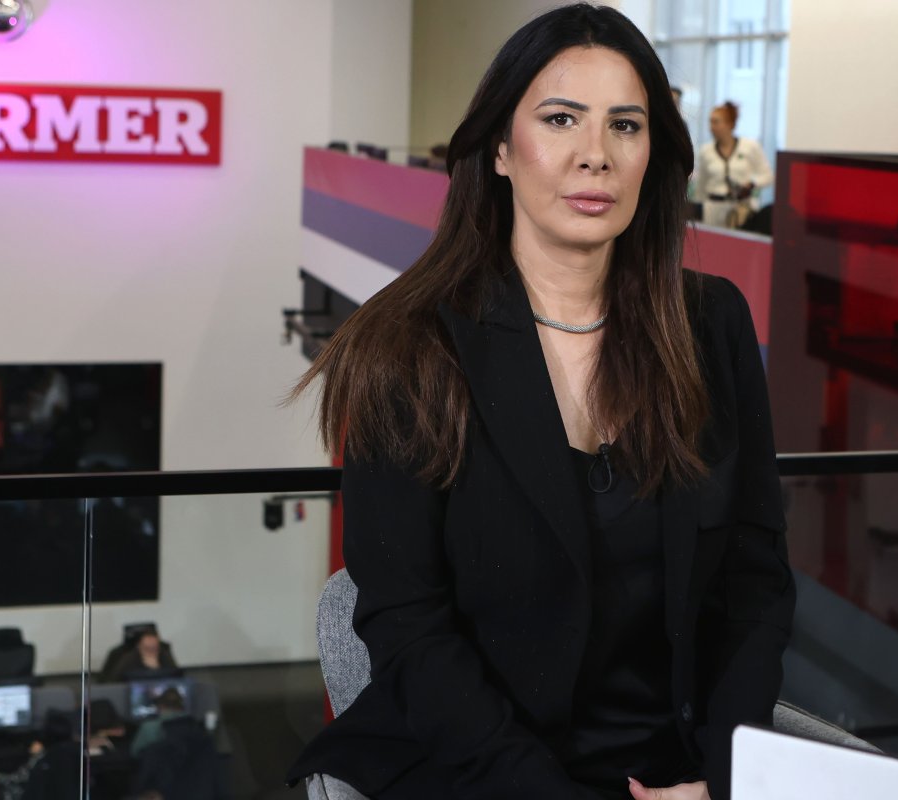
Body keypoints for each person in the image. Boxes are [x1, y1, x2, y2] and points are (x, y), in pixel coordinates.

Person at [286, 5, 793, 799]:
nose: (596, 154)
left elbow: (756, 583)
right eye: (561, 119)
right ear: (499, 147)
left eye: (625, 125)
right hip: (480, 772)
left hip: (678, 771)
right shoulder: (408, 346)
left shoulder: (711, 324)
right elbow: (408, 626)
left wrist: (721, 781)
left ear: (653, 153)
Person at [691, 101, 772, 228]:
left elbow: (767, 176)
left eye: (716, 122)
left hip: (742, 209)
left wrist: (751, 183)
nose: (711, 127)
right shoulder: (706, 151)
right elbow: (701, 185)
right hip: (712, 209)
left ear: (729, 124)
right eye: (710, 122)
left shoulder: (750, 147)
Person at [108, 631, 178, 681]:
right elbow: (113, 681)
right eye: (147, 648)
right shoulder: (128, 659)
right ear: (139, 647)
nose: (151, 651)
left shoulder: (164, 655)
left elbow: (176, 677)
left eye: (154, 648)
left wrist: (156, 668)